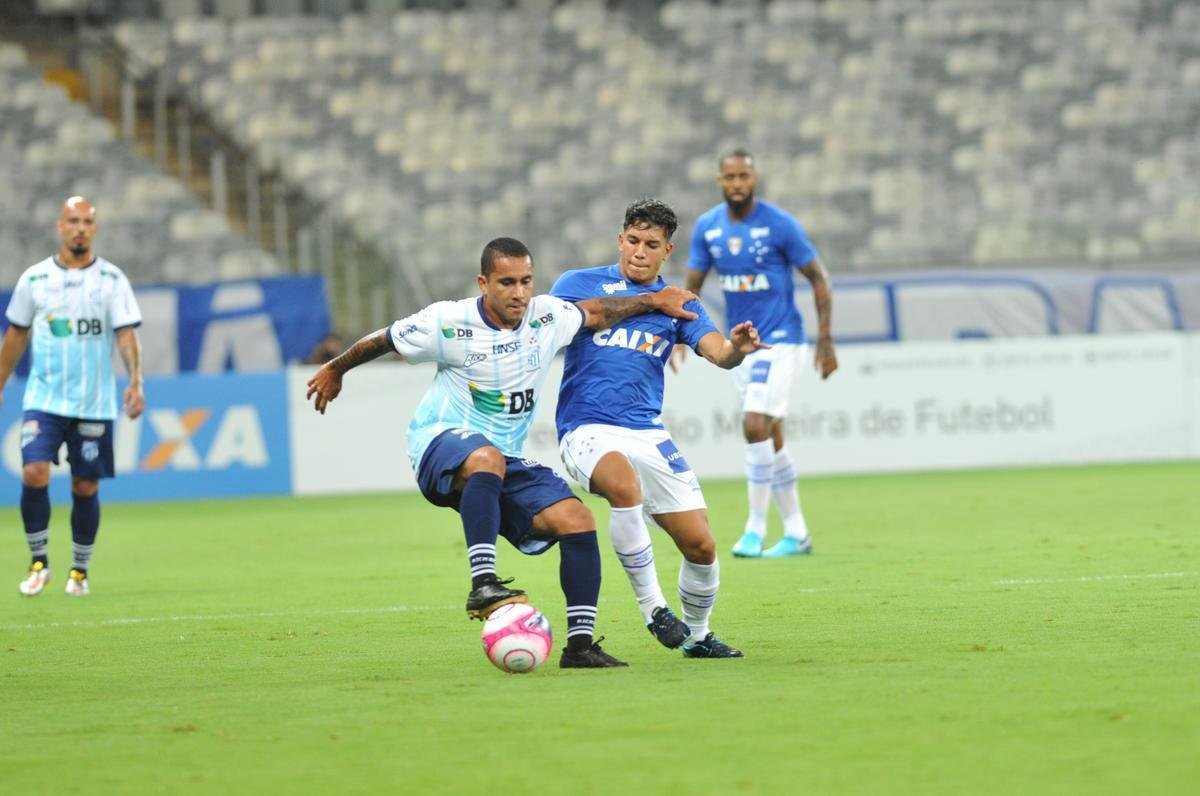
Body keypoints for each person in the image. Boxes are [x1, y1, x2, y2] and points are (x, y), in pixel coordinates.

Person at [305, 237, 699, 669]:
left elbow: (599, 312)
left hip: (503, 457)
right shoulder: (448, 322)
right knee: (486, 456)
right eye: (507, 283)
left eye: (526, 281)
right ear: (483, 283)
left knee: (577, 520)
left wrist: (655, 300)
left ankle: (580, 646)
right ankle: (484, 582)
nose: (519, 293)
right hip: (440, 440)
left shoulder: (546, 316)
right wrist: (335, 368)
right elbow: (383, 340)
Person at [551, 199, 768, 659]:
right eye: (633, 241)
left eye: (652, 245)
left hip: (647, 433)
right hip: (585, 426)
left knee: (701, 544)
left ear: (667, 251)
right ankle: (654, 610)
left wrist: (739, 349)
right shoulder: (577, 284)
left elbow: (718, 353)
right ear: (619, 239)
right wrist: (649, 301)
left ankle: (698, 635)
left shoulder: (680, 304)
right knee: (623, 487)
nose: (640, 252)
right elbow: (570, 320)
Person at [681, 149, 838, 559]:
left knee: (753, 424)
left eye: (743, 176)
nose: (737, 183)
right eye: (729, 176)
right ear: (719, 180)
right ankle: (797, 532)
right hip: (741, 345)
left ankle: (753, 529)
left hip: (782, 339)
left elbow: (819, 278)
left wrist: (826, 339)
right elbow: (691, 289)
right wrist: (680, 335)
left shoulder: (779, 224)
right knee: (772, 435)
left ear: (755, 179)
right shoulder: (708, 227)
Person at [1, 196, 145, 597]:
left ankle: (79, 571)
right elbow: (16, 335)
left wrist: (136, 381)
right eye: (73, 221)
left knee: (85, 486)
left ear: (94, 228)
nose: (80, 228)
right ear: (59, 226)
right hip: (44, 399)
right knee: (33, 472)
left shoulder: (112, 280)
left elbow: (126, 335)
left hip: (93, 402)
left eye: (87, 221)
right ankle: (38, 563)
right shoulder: (33, 280)